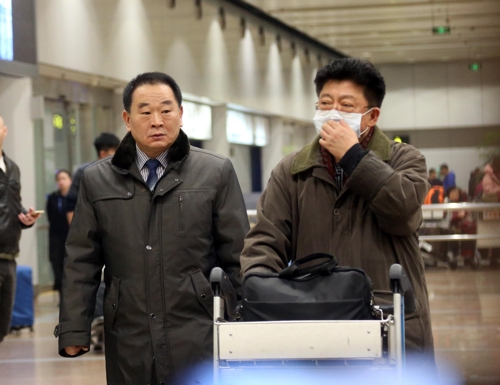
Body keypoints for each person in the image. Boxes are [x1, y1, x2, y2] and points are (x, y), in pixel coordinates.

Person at [55, 72, 249, 384]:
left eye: (166, 110)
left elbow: (237, 254)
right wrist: (74, 328)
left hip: (196, 328)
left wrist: (246, 322)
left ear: (181, 115)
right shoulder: (97, 180)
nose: (156, 121)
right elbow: (81, 259)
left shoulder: (215, 172)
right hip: (128, 330)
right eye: (145, 112)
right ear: (127, 118)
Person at [240, 58, 435, 368]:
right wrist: (267, 297)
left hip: (389, 319)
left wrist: (355, 158)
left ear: (372, 117)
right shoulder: (293, 171)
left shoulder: (405, 160)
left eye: (346, 105)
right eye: (325, 104)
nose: (332, 113)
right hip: (316, 322)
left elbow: (403, 213)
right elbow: (265, 240)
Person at [0, 115, 41, 343]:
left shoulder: (12, 168)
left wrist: (26, 217)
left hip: (9, 255)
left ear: (5, 131)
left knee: (3, 326)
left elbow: (13, 205)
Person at [65, 132, 120, 223]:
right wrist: (77, 234)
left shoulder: (122, 171)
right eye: (115, 153)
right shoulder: (84, 172)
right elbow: (71, 204)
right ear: (103, 154)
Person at [45, 169, 72, 297]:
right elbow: (50, 217)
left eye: (64, 179)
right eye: (59, 179)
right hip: (56, 236)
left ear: (70, 180)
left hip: (70, 236)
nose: (61, 182)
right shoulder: (52, 198)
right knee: (57, 265)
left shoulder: (74, 197)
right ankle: (62, 295)